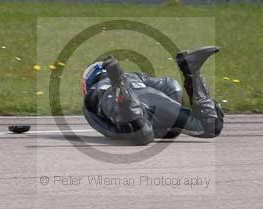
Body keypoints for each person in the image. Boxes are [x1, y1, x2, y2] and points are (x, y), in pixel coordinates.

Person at [81, 46, 224, 146]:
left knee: (141, 134)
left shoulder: (92, 94)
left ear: (88, 81)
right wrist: (175, 111)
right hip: (156, 101)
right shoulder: (135, 75)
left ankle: (119, 86)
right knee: (210, 126)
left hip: (131, 111)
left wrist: (123, 132)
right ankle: (192, 71)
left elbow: (106, 129)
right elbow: (170, 85)